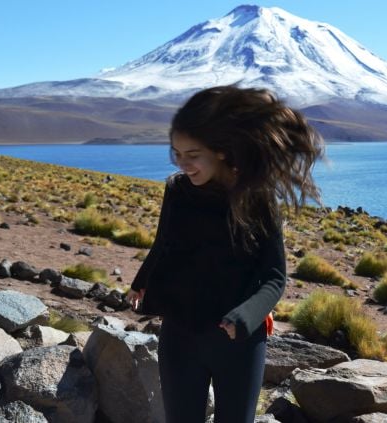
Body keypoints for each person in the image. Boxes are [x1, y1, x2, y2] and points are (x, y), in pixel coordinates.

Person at [126, 85, 323, 423]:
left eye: (192, 154)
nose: (183, 163)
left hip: (237, 343)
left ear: (219, 151)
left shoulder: (257, 198)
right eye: (176, 153)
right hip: (180, 333)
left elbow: (275, 276)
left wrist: (245, 317)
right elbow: (164, 243)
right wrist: (141, 282)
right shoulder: (177, 190)